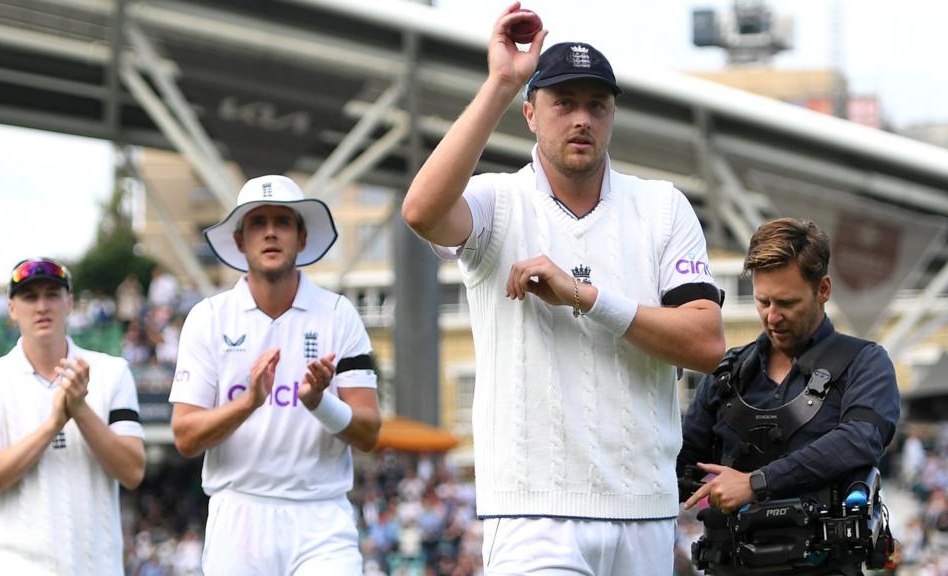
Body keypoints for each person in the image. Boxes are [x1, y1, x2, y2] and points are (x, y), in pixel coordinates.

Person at [401, 4, 725, 574]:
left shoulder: (662, 207)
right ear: (530, 112)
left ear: (612, 115)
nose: (581, 119)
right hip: (531, 511)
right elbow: (422, 211)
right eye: (563, 103)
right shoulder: (495, 200)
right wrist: (502, 80)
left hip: (643, 506)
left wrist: (585, 297)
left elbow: (705, 341)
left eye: (596, 105)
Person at [170, 174, 382, 575]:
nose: (270, 233)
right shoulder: (208, 318)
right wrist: (248, 402)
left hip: (321, 515)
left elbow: (369, 432)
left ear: (301, 238)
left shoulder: (339, 314)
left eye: (283, 222)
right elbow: (185, 435)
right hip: (239, 517)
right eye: (258, 223)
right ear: (239, 240)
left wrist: (320, 404)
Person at [678, 218, 900, 575]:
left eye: (787, 302)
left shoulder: (866, 362)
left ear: (823, 289)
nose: (772, 316)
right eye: (762, 301)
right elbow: (678, 457)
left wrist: (755, 484)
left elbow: (860, 440)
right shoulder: (726, 373)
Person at [0, 257, 146, 574]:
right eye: (30, 296)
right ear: (12, 309)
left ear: (69, 302)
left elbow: (132, 471)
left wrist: (80, 410)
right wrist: (53, 426)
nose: (42, 306)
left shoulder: (112, 372)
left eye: (52, 294)